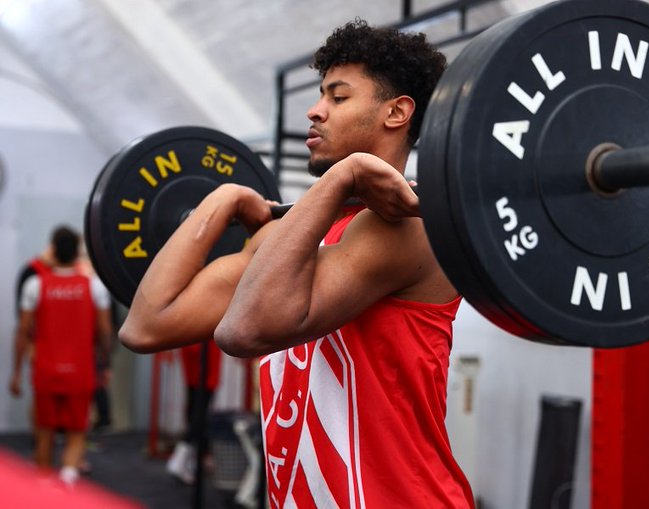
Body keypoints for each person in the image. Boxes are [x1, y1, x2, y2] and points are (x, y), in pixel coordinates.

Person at [120, 19, 474, 508]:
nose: (315, 110)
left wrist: (342, 177)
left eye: (338, 96)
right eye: (320, 95)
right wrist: (219, 200)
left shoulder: (408, 229)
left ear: (396, 112)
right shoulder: (290, 240)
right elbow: (145, 325)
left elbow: (244, 331)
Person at [9, 226, 113, 486]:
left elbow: (22, 332)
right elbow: (105, 331)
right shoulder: (94, 287)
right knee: (76, 433)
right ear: (78, 253)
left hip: (45, 371)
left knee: (44, 434)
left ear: (53, 250)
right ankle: (68, 478)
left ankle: (45, 488)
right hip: (80, 372)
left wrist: (16, 372)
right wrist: (105, 364)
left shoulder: (35, 285)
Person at [166, 340, 222, 485]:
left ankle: (189, 459)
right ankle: (181, 459)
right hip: (203, 366)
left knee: (196, 415)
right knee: (198, 416)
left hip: (198, 366)